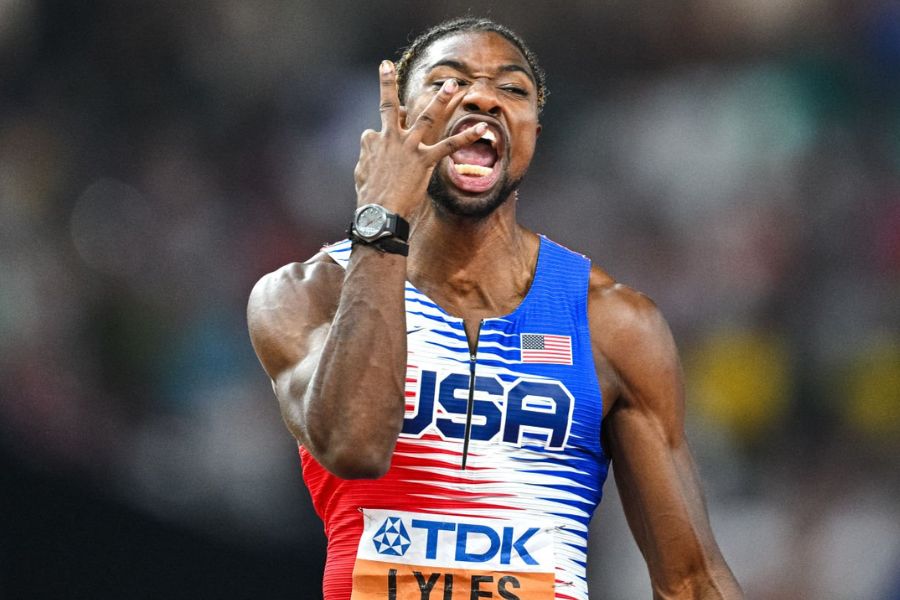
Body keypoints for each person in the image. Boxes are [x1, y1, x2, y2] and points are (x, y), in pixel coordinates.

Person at [247, 17, 743, 600]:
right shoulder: (306, 295)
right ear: (399, 124)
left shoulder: (611, 323)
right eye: (447, 83)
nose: (482, 96)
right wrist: (382, 223)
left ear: (532, 131)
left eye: (512, 90)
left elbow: (691, 579)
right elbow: (354, 446)